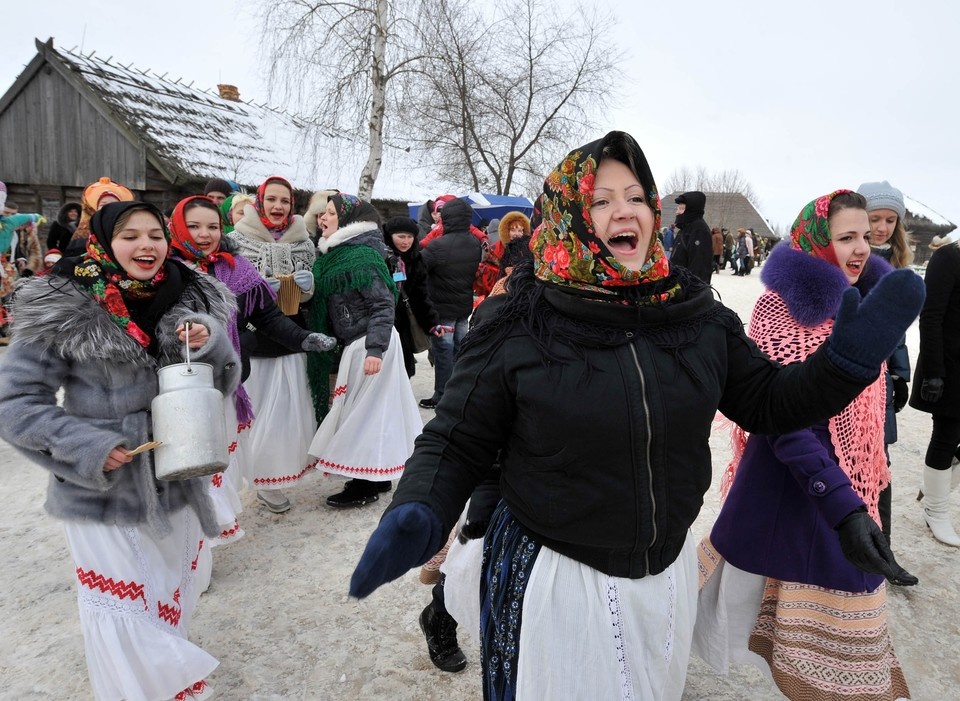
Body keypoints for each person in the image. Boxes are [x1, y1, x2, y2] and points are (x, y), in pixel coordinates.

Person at [347, 131, 924, 700]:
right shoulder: (520, 318)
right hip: (559, 579)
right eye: (601, 200)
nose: (624, 211)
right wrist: (420, 506)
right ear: (571, 216)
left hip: (664, 579)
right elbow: (457, 437)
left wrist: (842, 366)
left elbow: (771, 403)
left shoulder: (695, 313)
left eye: (635, 197)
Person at [0, 200, 240, 701]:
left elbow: (221, 382)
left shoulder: (189, 294)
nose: (146, 246)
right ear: (104, 242)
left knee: (168, 597)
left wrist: (209, 344)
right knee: (124, 608)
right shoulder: (62, 306)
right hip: (101, 488)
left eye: (155, 235)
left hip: (177, 476)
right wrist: (90, 446)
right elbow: (15, 403)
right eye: (130, 236)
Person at [694, 190, 914, 701]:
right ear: (816, 241)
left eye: (866, 235)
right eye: (846, 237)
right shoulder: (783, 309)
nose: (862, 248)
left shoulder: (867, 305)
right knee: (793, 618)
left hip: (847, 487)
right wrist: (840, 502)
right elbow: (784, 423)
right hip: (796, 484)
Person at [168, 195, 335, 541]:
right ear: (178, 227)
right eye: (194, 226)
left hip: (229, 384)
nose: (204, 234)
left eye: (212, 226)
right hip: (183, 390)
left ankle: (203, 540)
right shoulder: (165, 273)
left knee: (221, 464)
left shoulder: (235, 268)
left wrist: (303, 339)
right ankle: (195, 543)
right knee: (193, 470)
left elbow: (267, 316)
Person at [306, 194, 423, 507]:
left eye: (330, 213)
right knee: (370, 412)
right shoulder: (339, 253)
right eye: (322, 213)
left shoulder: (361, 257)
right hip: (360, 342)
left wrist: (375, 349)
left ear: (348, 220)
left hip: (371, 344)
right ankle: (377, 477)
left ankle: (364, 484)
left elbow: (383, 304)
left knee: (364, 415)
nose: (323, 218)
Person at [227, 176, 317, 513]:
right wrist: (253, 291)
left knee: (286, 414)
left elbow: (310, 295)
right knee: (258, 414)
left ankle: (272, 477)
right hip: (256, 340)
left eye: (285, 201)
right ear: (260, 202)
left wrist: (308, 287)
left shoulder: (304, 242)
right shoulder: (236, 241)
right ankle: (253, 474)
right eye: (272, 199)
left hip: (291, 335)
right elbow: (224, 288)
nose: (278, 206)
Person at [857, 180, 917, 573]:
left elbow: (898, 329)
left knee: (880, 463)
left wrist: (901, 374)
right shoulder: (849, 258)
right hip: (849, 375)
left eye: (890, 220)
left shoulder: (898, 265)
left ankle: (884, 551)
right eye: (874, 218)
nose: (881, 227)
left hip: (881, 381)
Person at [909, 234, 960, 546]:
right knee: (946, 437)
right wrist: (934, 372)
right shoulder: (949, 257)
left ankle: (934, 485)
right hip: (950, 367)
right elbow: (930, 317)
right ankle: (936, 510)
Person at [417, 197, 483, 409]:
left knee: (443, 353)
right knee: (459, 351)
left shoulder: (438, 245)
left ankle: (442, 395)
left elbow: (418, 268)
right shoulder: (474, 243)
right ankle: (458, 393)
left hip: (442, 308)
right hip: (463, 307)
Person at [382, 215, 442, 378]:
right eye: (401, 236)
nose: (406, 241)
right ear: (390, 236)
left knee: (402, 371)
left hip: (402, 324)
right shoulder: (379, 257)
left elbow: (420, 295)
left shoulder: (416, 259)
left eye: (410, 237)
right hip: (379, 323)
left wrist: (431, 323)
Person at [66, 177, 135, 256]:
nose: (109, 208)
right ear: (94, 209)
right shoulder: (83, 239)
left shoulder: (130, 230)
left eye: (114, 204)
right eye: (103, 205)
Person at [671, 191, 713, 283]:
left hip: (687, 288)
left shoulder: (699, 231)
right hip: (677, 285)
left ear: (692, 210)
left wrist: (693, 289)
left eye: (681, 208)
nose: (677, 212)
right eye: (678, 208)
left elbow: (699, 270)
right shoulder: (684, 229)